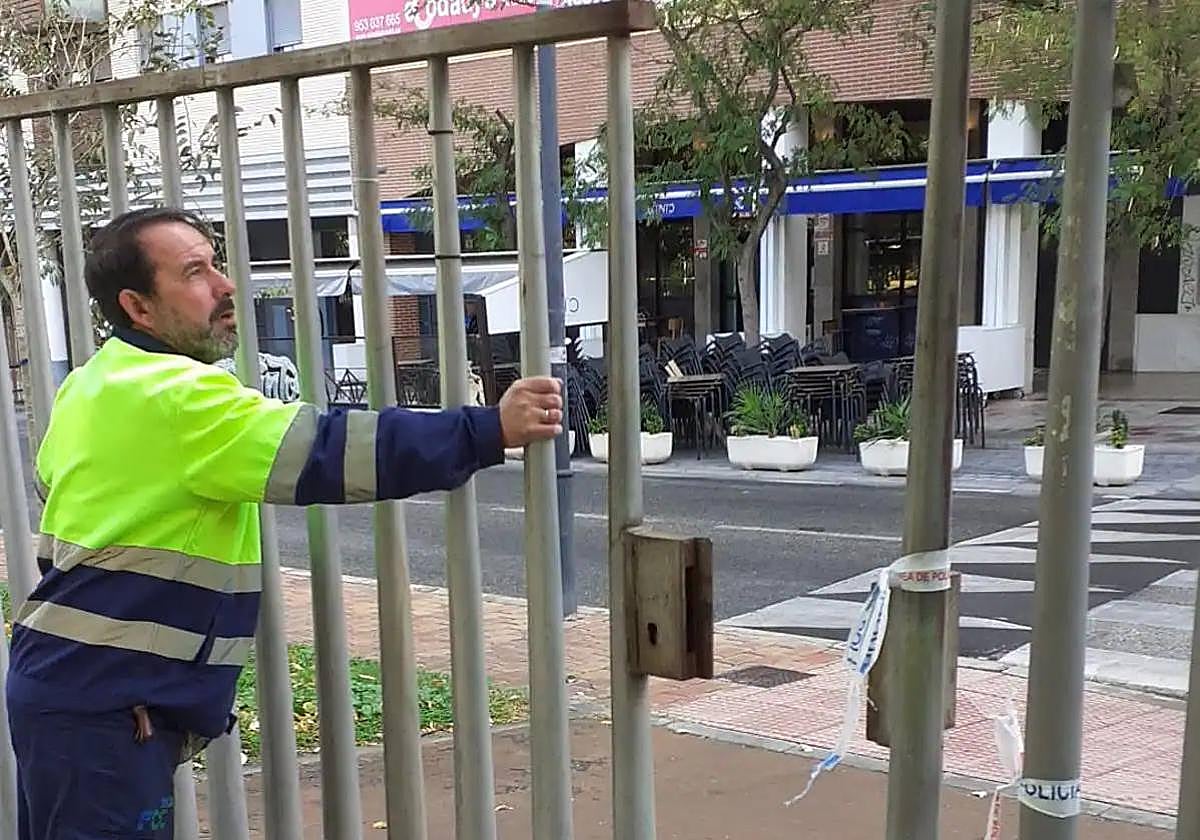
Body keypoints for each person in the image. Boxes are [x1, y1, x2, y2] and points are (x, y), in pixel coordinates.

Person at [4, 206, 562, 839]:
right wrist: (487, 429)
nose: (225, 285)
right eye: (195, 272)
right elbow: (328, 450)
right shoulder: (177, 397)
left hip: (67, 689)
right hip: (103, 708)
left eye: (215, 263)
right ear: (138, 306)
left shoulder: (91, 383)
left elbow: (57, 492)